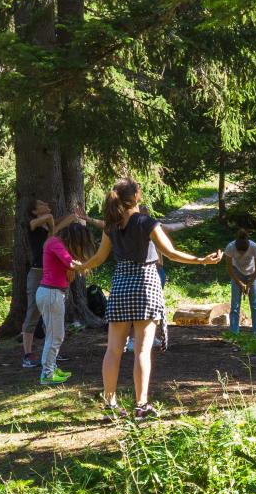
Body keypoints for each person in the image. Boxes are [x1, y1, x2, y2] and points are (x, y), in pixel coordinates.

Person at [79, 178, 223, 421]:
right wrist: (201, 260)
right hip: (145, 284)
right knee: (142, 351)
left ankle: (110, 404)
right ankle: (141, 405)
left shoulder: (111, 227)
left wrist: (80, 266)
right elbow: (172, 253)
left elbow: (98, 258)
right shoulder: (146, 222)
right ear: (136, 196)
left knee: (113, 350)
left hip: (121, 286)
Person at [82, 205, 198, 351]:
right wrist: (200, 260)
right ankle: (133, 339)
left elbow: (170, 227)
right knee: (143, 310)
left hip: (154, 271)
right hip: (148, 273)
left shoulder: (152, 226)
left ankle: (146, 338)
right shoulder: (137, 226)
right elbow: (105, 226)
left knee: (145, 311)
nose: (146, 215)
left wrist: (184, 224)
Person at [21, 199, 80, 368]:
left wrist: (69, 218)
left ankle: (52, 352)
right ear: (34, 211)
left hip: (52, 273)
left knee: (52, 314)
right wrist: (52, 220)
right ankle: (27, 354)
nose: (46, 204)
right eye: (40, 203)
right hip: (37, 272)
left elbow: (69, 218)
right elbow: (49, 224)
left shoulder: (49, 224)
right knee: (33, 312)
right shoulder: (32, 224)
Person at [35, 222, 93, 385]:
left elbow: (69, 274)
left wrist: (73, 269)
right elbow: (70, 264)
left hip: (53, 293)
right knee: (55, 336)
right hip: (51, 293)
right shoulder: (55, 243)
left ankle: (51, 367)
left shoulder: (56, 244)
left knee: (55, 335)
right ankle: (47, 374)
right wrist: (89, 263)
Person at [225, 229, 256, 337]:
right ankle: (234, 332)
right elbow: (230, 269)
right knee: (235, 304)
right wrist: (240, 283)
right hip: (237, 272)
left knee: (255, 304)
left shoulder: (254, 247)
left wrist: (249, 284)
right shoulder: (230, 247)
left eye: (243, 252)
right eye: (239, 252)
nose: (241, 254)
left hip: (253, 273)